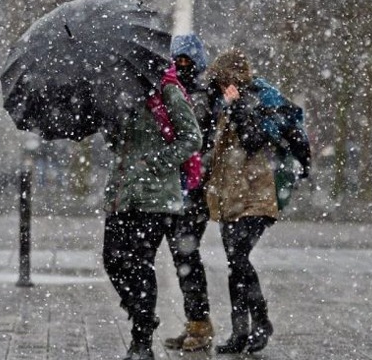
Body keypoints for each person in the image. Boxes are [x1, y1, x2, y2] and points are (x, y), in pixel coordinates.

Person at [204, 48, 309, 354]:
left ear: (234, 77)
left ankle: (261, 322)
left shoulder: (257, 100)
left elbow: (252, 141)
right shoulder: (223, 103)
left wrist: (238, 108)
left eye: (223, 80)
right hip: (230, 194)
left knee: (238, 258)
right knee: (235, 264)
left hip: (258, 193)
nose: (221, 86)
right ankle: (240, 332)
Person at [102, 60, 202, 360]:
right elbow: (119, 145)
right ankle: (143, 315)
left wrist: (157, 163)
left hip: (156, 197)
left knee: (140, 263)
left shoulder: (167, 90)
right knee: (113, 260)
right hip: (122, 193)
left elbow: (192, 138)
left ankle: (142, 341)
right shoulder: (120, 92)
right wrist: (111, 125)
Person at [162, 33, 216, 352]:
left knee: (187, 256)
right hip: (181, 188)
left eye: (187, 61)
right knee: (183, 256)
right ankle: (195, 322)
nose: (182, 66)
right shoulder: (178, 91)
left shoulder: (199, 95)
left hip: (193, 189)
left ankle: (199, 324)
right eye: (177, 60)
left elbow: (195, 139)